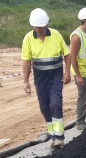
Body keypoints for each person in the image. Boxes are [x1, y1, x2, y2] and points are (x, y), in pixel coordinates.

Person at [22, 8, 71, 148]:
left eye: (41, 26)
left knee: (55, 104)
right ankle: (53, 134)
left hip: (55, 75)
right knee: (44, 107)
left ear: (47, 24)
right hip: (40, 78)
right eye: (36, 26)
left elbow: (67, 55)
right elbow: (26, 61)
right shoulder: (28, 39)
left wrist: (67, 72)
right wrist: (25, 81)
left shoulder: (56, 35)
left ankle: (59, 137)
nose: (38, 29)